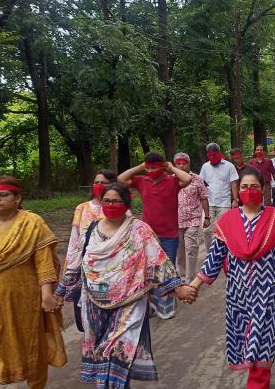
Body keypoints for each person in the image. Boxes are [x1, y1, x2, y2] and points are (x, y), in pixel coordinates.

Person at [188, 167, 275, 389]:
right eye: (245, 187)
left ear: (263, 189)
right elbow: (214, 258)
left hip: (269, 291)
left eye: (255, 187)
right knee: (244, 341)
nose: (249, 191)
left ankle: (258, 384)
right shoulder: (227, 222)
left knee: (262, 341)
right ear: (237, 191)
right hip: (237, 294)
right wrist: (193, 285)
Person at [55, 182, 197, 388]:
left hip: (130, 304)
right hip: (94, 305)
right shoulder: (90, 230)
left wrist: (179, 288)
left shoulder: (139, 230)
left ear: (127, 203)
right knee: (105, 359)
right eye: (107, 201)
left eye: (116, 201)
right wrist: (60, 292)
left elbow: (158, 260)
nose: (111, 204)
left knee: (116, 354)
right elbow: (76, 262)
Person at [0, 176, 67, 389]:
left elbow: (44, 263)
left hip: (24, 300)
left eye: (3, 195)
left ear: (17, 198)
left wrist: (47, 295)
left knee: (30, 346)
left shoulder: (32, 223)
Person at [118, 152, 192, 319]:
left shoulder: (172, 181)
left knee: (168, 269)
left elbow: (187, 179)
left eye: (154, 167)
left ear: (162, 167)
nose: (150, 170)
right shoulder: (141, 181)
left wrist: (171, 167)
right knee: (147, 271)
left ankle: (166, 305)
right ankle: (150, 305)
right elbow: (121, 179)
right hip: (148, 235)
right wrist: (140, 167)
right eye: (148, 167)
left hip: (169, 234)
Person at [61, 169, 119, 298]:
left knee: (105, 304)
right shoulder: (82, 208)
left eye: (103, 183)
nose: (99, 185)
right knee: (82, 308)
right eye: (96, 182)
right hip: (84, 266)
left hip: (111, 268)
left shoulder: (120, 209)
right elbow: (74, 240)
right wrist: (69, 270)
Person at [174, 153, 210, 279]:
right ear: (175, 165)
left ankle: (189, 279)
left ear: (189, 164)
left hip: (193, 220)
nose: (182, 166)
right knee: (179, 250)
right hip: (175, 221)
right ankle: (181, 275)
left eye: (184, 163)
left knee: (191, 250)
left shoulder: (197, 179)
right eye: (179, 164)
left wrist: (207, 217)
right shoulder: (171, 180)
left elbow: (204, 198)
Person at [199, 142, 240, 248]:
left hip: (224, 203)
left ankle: (225, 252)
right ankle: (210, 253)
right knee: (206, 230)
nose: (212, 158)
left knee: (224, 229)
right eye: (209, 156)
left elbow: (233, 183)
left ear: (219, 154)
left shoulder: (229, 166)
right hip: (209, 203)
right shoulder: (205, 167)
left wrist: (235, 200)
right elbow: (201, 183)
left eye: (214, 155)